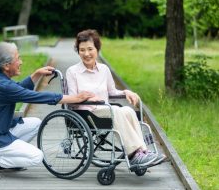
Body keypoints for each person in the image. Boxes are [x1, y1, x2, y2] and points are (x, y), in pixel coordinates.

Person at [0, 42, 94, 180]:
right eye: (18, 59)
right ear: (6, 66)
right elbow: (35, 96)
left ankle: (2, 158)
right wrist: (74, 98)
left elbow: (17, 90)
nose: (21, 62)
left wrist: (36, 75)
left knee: (36, 123)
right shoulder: (1, 85)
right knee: (37, 156)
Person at [66, 29, 166, 167]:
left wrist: (126, 92)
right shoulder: (72, 72)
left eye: (90, 49)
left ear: (97, 49)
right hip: (86, 113)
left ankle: (142, 152)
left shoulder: (104, 69)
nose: (86, 54)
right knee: (118, 111)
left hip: (105, 110)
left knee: (128, 111)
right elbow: (71, 99)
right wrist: (85, 98)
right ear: (78, 51)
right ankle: (134, 154)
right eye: (82, 50)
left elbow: (112, 91)